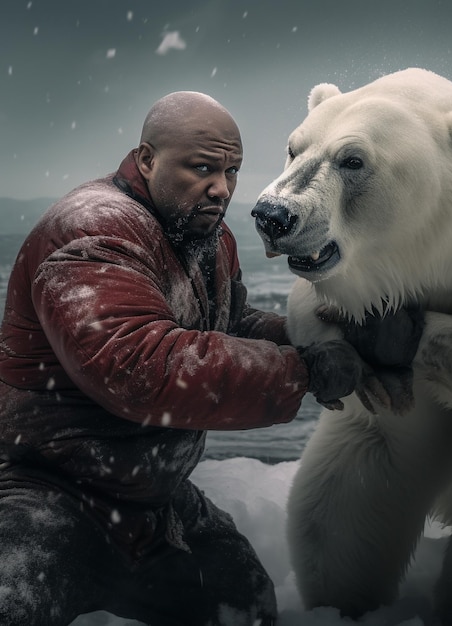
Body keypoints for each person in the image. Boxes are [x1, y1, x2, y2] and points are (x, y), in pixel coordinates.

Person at [0, 91, 422, 626]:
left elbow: (228, 325)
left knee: (243, 604)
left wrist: (324, 339)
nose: (221, 189)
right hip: (49, 492)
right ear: (147, 160)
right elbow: (138, 367)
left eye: (232, 171)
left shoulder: (203, 232)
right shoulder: (94, 228)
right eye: (202, 168)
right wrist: (306, 372)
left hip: (154, 504)